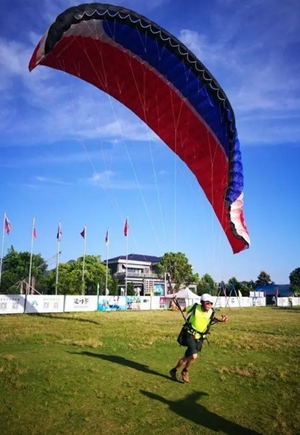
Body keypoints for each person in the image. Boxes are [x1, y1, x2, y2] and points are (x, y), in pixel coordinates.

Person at [169, 293, 228, 383]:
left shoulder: (211, 311)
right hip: (189, 334)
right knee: (194, 356)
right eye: (207, 303)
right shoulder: (195, 307)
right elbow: (182, 308)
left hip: (200, 337)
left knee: (186, 357)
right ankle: (185, 372)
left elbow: (212, 318)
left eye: (211, 303)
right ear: (202, 302)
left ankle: (174, 370)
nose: (209, 305)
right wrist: (174, 303)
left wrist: (221, 320)